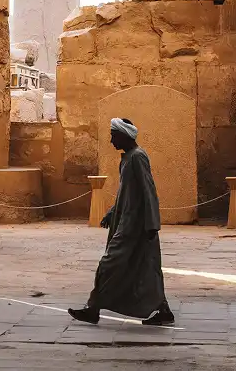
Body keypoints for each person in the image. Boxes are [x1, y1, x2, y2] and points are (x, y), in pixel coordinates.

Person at [68, 117, 175, 326]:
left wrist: (152, 224)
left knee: (109, 264)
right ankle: (163, 310)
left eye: (113, 136)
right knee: (144, 268)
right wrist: (112, 212)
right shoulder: (127, 159)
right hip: (126, 222)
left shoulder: (138, 157)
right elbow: (126, 192)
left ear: (124, 136)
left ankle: (93, 308)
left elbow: (148, 191)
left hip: (135, 226)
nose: (111, 141)